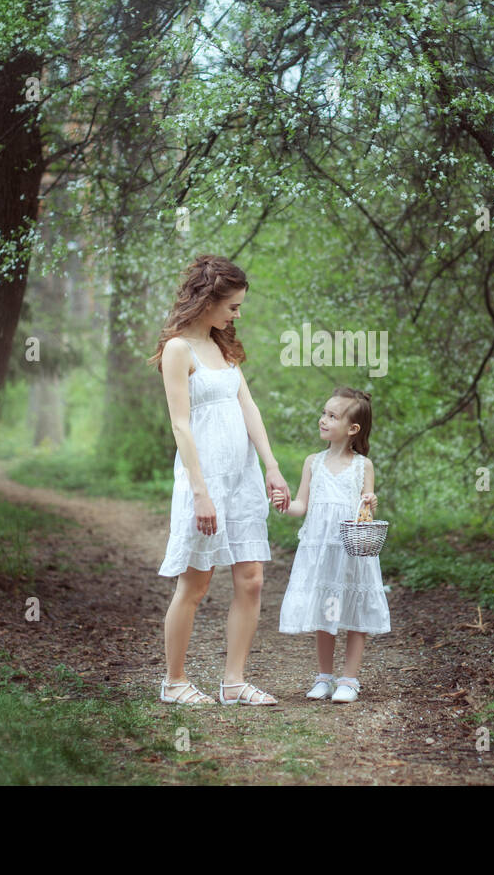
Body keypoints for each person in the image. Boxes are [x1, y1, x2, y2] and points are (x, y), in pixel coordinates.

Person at [148, 255, 291, 706]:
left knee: (251, 579)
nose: (237, 314)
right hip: (204, 481)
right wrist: (200, 491)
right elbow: (181, 426)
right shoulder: (178, 350)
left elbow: (249, 408)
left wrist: (271, 466)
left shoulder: (223, 347)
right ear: (208, 301)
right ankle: (174, 682)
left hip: (243, 479)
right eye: (232, 306)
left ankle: (233, 682)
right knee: (196, 583)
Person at [273, 387, 389, 703]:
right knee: (326, 608)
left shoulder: (363, 465)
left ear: (353, 429)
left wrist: (371, 501)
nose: (323, 419)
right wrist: (285, 504)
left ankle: (349, 679)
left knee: (354, 607)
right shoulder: (314, 462)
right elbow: (302, 505)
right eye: (324, 413)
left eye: (332, 416)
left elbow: (366, 510)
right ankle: (324, 677)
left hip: (351, 547)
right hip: (321, 548)